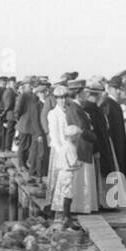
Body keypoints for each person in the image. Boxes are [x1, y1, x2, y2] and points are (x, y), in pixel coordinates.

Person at [46, 86, 81, 229]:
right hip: (60, 150)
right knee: (58, 181)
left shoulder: (71, 110)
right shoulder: (53, 114)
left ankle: (68, 211)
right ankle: (58, 212)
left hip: (70, 147)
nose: (63, 100)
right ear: (55, 99)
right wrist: (64, 151)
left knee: (69, 184)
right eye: (59, 98)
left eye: (65, 97)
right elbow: (54, 136)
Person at [62, 78, 99, 213]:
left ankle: (82, 205)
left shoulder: (75, 108)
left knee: (82, 178)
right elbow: (82, 129)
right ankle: (81, 206)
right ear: (79, 93)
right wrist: (95, 137)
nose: (86, 95)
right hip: (81, 147)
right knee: (82, 178)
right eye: (84, 92)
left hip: (82, 146)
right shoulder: (75, 109)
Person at [102, 73, 126, 195]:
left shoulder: (115, 103)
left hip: (119, 139)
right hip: (114, 141)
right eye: (117, 89)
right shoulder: (108, 103)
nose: (120, 92)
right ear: (110, 89)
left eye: (121, 89)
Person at [14, 76, 39, 170]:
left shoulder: (34, 96)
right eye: (29, 84)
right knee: (23, 145)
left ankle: (24, 163)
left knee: (28, 145)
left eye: (32, 84)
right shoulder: (23, 96)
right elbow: (17, 110)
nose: (31, 86)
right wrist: (19, 119)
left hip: (31, 125)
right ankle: (21, 164)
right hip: (24, 124)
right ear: (25, 85)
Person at [0, 76, 18, 150]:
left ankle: (8, 147)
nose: (15, 84)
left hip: (10, 114)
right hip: (11, 114)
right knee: (10, 132)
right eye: (13, 82)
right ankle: (7, 148)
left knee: (10, 132)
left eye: (15, 82)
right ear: (9, 83)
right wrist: (4, 112)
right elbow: (8, 104)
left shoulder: (10, 91)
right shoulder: (10, 91)